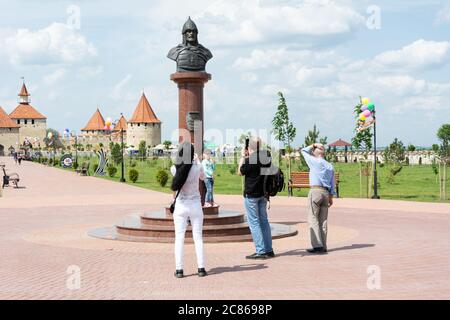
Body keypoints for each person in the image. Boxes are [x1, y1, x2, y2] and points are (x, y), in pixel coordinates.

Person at [170, 142, 207, 278]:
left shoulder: (174, 168)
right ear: (192, 154)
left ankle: (179, 270)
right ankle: (201, 268)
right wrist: (197, 160)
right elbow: (203, 177)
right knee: (198, 238)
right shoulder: (198, 167)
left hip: (181, 206)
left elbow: (176, 181)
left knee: (179, 238)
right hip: (195, 205)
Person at [238, 137, 274, 259]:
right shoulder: (266, 157)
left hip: (251, 195)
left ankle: (260, 251)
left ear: (249, 148)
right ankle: (269, 249)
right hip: (263, 194)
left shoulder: (249, 160)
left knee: (254, 222)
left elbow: (239, 172)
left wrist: (243, 157)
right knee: (264, 221)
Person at [301, 143, 336, 254]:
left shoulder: (314, 161)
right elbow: (332, 182)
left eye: (314, 149)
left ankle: (317, 245)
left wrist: (313, 144)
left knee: (313, 218)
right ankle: (323, 245)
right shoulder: (329, 166)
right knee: (323, 221)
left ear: (316, 151)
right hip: (326, 192)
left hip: (315, 191)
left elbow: (303, 151)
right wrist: (331, 196)